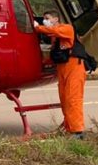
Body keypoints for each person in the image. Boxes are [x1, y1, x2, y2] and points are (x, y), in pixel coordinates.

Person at [35, 10, 87, 138]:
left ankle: (78, 131)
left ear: (56, 19)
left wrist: (37, 27)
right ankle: (70, 128)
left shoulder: (66, 28)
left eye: (48, 18)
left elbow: (54, 31)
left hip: (75, 68)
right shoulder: (55, 38)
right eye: (44, 18)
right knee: (64, 99)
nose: (46, 20)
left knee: (73, 99)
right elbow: (56, 54)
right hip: (63, 69)